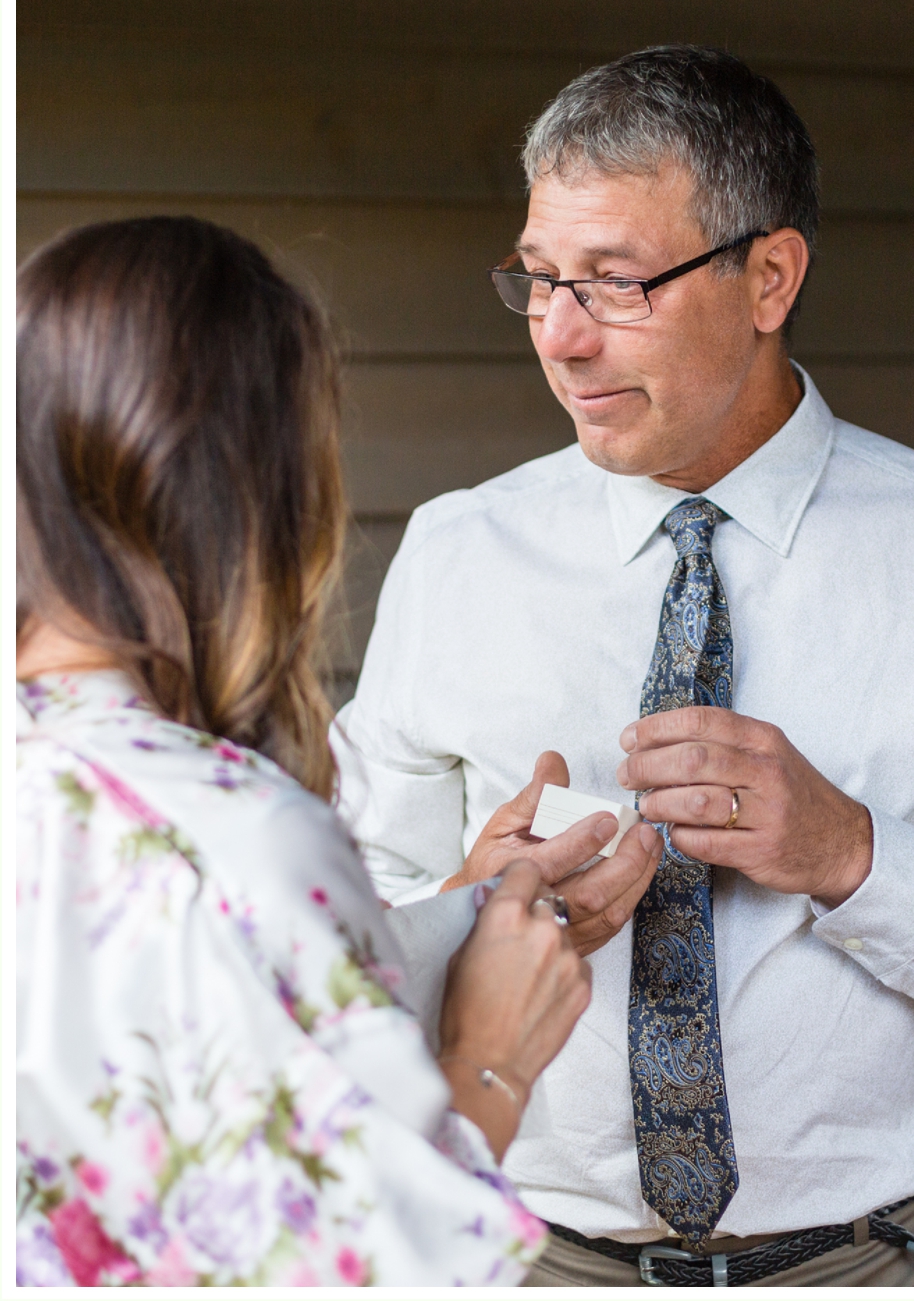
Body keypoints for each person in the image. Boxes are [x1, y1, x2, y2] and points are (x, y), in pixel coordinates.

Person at [332, 45, 914, 1287]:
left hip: (871, 1265)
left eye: (615, 285)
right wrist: (467, 901)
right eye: (539, 279)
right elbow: (347, 920)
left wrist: (850, 853)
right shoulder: (458, 552)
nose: (559, 339)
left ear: (770, 275)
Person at [15, 217, 593, 1286]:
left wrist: (466, 910)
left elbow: (189, 1010)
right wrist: (491, 1063)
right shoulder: (239, 832)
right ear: (258, 487)